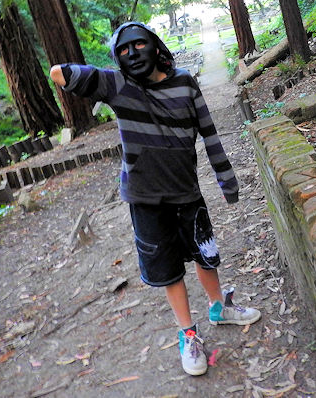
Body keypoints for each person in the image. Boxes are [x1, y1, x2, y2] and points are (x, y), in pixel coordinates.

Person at [49, 21, 260, 376]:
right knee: (167, 267)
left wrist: (226, 180)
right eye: (123, 50)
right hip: (145, 198)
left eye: (138, 45)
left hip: (187, 191)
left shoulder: (185, 82)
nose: (132, 54)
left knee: (205, 255)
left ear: (156, 46)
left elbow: (209, 132)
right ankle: (188, 334)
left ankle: (219, 306)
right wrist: (109, 74)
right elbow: (59, 73)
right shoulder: (119, 86)